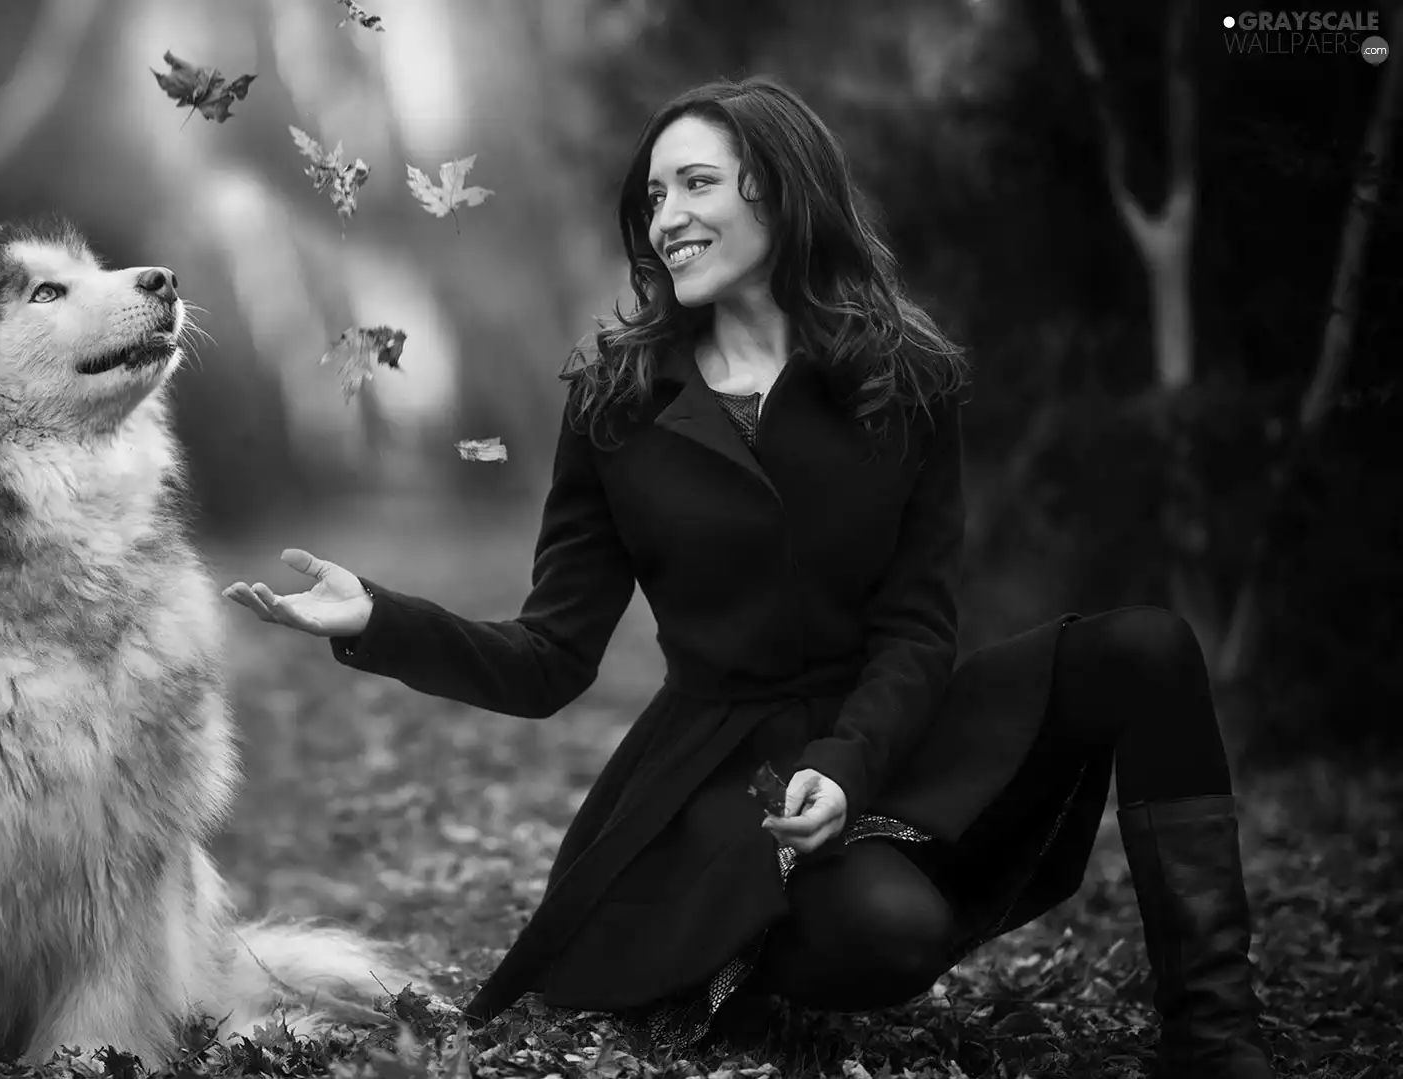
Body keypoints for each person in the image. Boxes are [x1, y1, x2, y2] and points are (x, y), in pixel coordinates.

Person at [221, 77, 1274, 1079]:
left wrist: (852, 766)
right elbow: (549, 659)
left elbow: (917, 625)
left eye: (695, 184)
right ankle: (734, 949)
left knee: (1143, 646)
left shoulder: (902, 378)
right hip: (725, 773)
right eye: (653, 196)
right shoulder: (616, 401)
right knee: (890, 937)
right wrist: (377, 618)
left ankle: (1217, 1037)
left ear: (778, 186)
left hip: (889, 726)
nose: (665, 216)